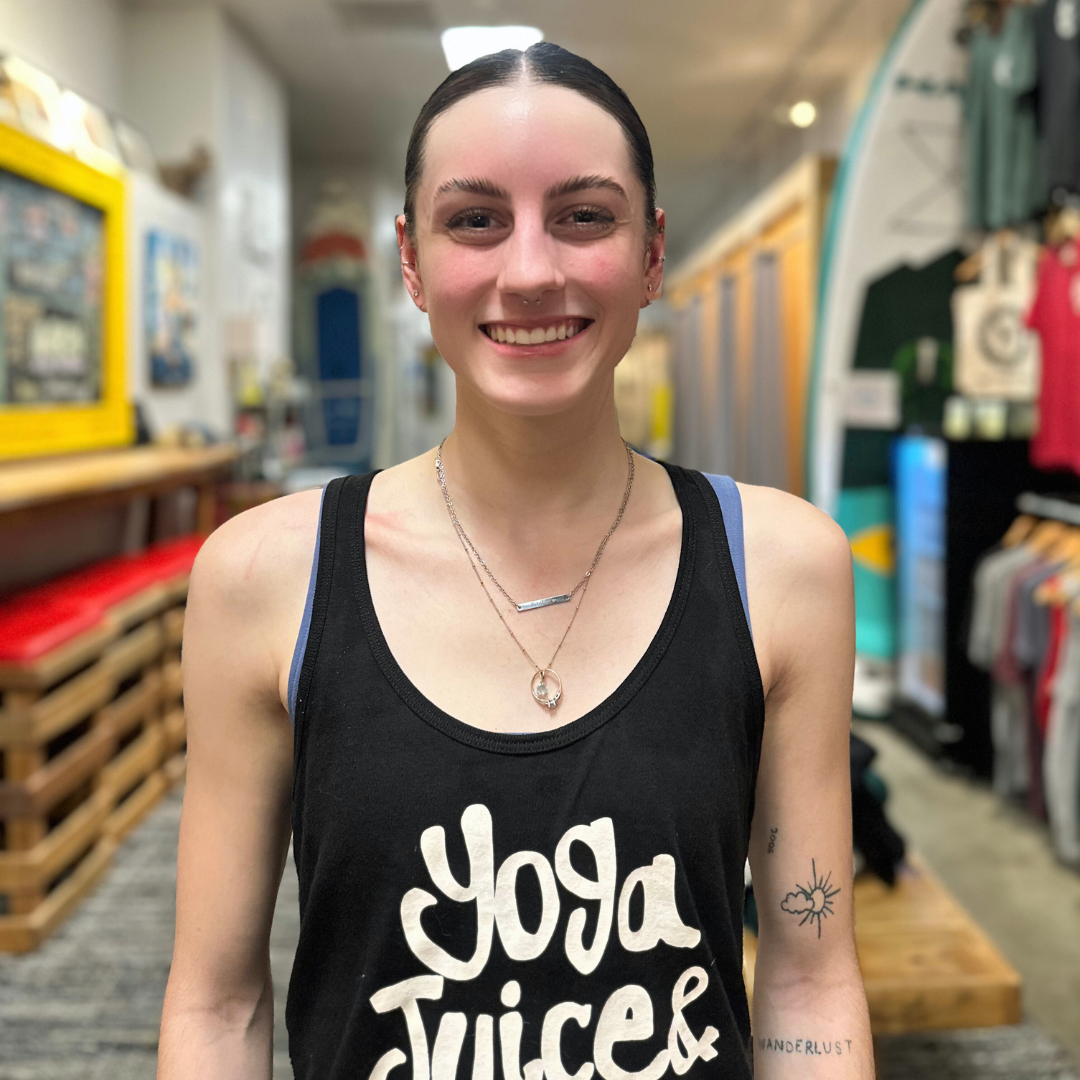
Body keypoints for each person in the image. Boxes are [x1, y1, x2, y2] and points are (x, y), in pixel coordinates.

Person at [158, 43, 872, 1080]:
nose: (531, 269)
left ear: (650, 252)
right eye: (474, 219)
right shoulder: (266, 580)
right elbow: (218, 1004)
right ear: (410, 259)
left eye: (584, 215)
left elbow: (809, 978)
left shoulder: (783, 569)